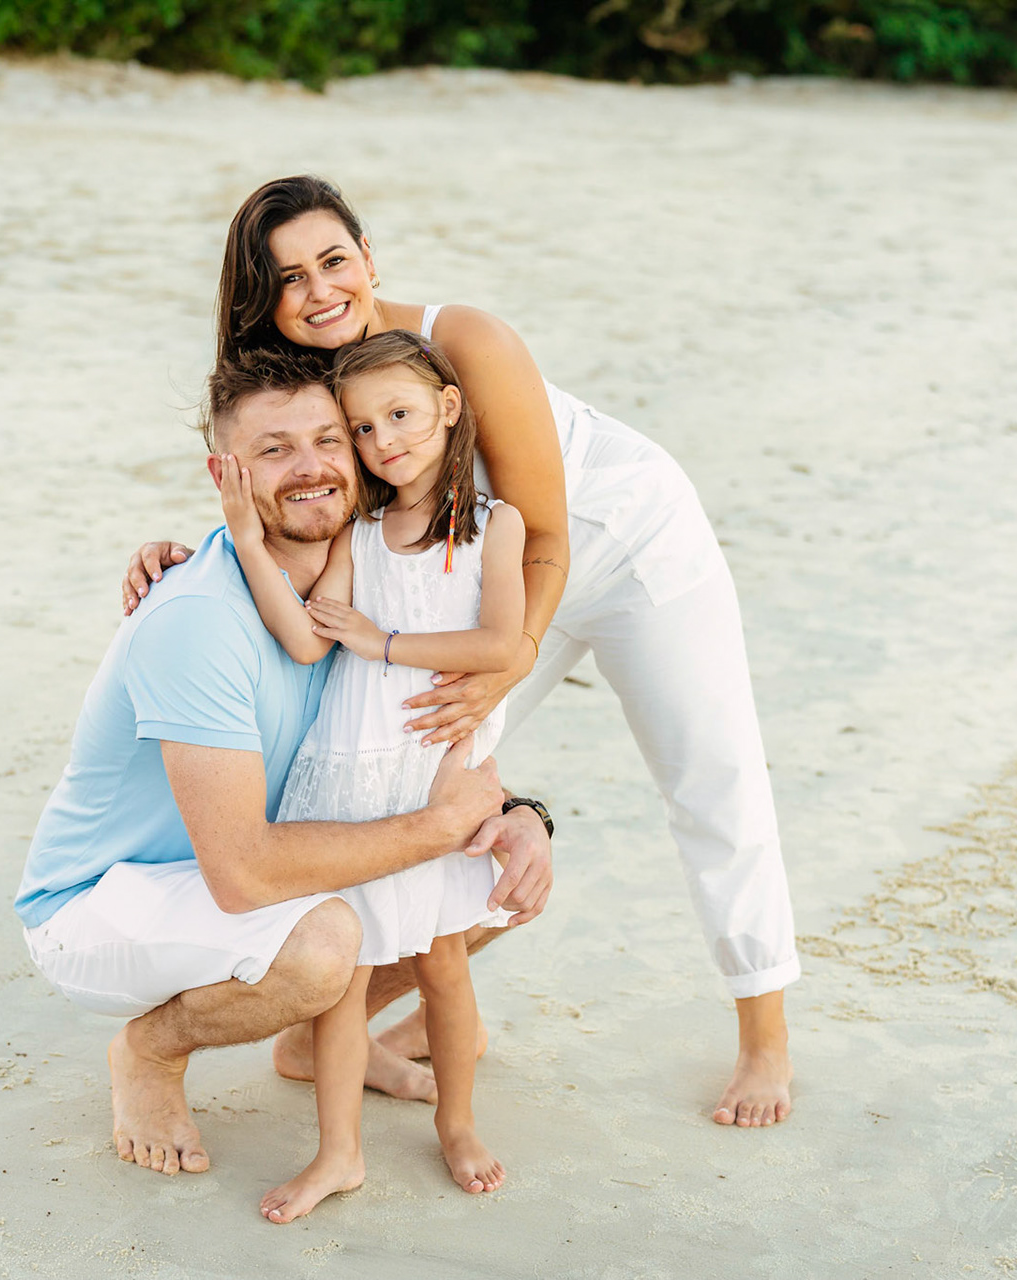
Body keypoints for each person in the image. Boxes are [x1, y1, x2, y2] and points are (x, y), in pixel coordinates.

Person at [127, 175, 796, 1127]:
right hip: (476, 584)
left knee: (711, 776)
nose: (320, 290)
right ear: (258, 301)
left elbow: (550, 532)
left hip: (614, 546)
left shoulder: (464, 340)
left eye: (333, 260)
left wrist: (509, 661)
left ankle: (764, 1036)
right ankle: (363, 1022)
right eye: (288, 279)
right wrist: (177, 554)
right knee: (393, 780)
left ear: (368, 257)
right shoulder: (310, 385)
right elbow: (288, 509)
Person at [15, 347, 553, 1207]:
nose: (310, 468)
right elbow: (246, 877)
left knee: (480, 885)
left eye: (328, 439)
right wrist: (441, 827)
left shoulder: (362, 568)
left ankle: (316, 1045)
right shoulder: (197, 621)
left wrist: (514, 811)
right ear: (226, 472)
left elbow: (397, 725)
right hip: (106, 899)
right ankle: (149, 1051)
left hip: (237, 869)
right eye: (273, 450)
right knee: (324, 943)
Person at [220, 331, 525, 1220]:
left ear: (448, 407)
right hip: (348, 779)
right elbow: (308, 635)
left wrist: (382, 642)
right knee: (344, 983)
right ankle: (338, 1153)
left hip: (428, 777)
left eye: (400, 414)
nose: (384, 440)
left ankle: (460, 1123)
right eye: (362, 427)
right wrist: (244, 539)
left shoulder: (490, 525)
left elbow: (500, 643)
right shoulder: (359, 528)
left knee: (443, 966)